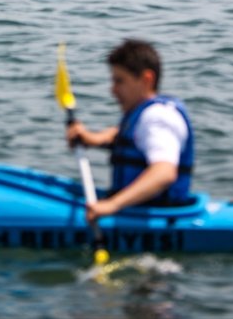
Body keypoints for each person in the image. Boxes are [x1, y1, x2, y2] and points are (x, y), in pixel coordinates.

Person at [66, 39, 194, 221]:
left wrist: (113, 205)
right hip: (136, 211)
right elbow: (123, 135)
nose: (113, 90)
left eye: (120, 81)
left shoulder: (157, 118)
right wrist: (92, 138)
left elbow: (164, 173)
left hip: (158, 218)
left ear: (146, 80)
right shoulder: (145, 116)